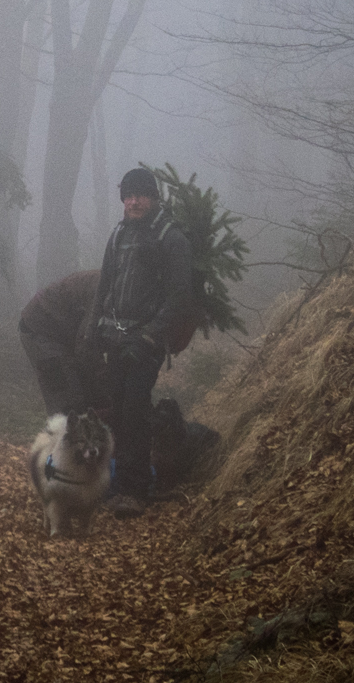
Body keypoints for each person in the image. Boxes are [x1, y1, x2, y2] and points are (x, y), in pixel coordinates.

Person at [90, 166, 196, 519]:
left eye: (141, 195)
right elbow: (105, 285)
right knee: (119, 411)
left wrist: (151, 336)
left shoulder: (171, 238)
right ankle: (120, 483)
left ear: (153, 197)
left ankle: (135, 490)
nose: (134, 202)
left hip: (146, 343)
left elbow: (179, 295)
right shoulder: (119, 234)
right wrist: (93, 329)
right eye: (128, 196)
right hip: (116, 338)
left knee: (135, 410)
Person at [18, 269, 102, 417]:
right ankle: (64, 437)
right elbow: (85, 341)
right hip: (40, 328)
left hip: (61, 331)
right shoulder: (103, 288)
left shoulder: (116, 283)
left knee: (84, 395)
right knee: (67, 400)